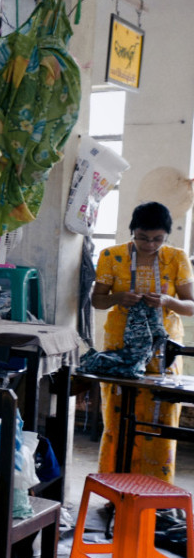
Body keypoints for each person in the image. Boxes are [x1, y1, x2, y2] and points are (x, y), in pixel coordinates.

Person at [91, 201, 194, 482]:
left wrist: (168, 301)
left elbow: (191, 305)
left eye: (157, 239)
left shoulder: (177, 258)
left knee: (162, 416)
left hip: (163, 349)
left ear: (167, 236)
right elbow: (97, 300)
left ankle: (155, 490)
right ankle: (114, 486)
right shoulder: (112, 255)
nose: (150, 244)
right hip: (121, 348)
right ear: (132, 232)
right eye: (142, 238)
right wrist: (117, 298)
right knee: (116, 416)